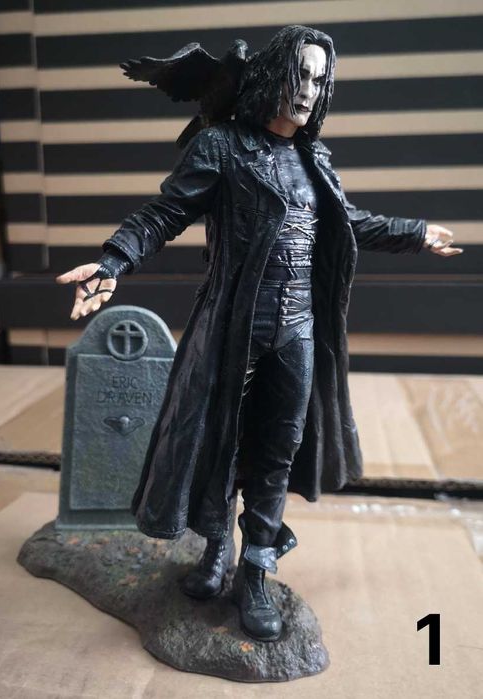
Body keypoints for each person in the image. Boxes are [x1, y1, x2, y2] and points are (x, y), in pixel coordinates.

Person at [56, 25, 463, 642]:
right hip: (232, 328)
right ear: (275, 74)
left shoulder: (314, 158)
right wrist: (114, 260)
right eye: (300, 74)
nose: (308, 90)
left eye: (319, 80)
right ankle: (215, 548)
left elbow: (348, 221)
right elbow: (167, 211)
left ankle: (256, 570)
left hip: (297, 331)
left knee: (277, 451)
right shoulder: (221, 146)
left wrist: (416, 232)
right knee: (220, 442)